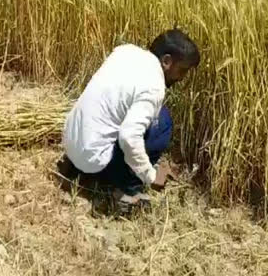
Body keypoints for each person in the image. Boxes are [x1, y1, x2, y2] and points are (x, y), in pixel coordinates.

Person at [58, 29, 200, 209]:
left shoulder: (125, 51)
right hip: (93, 159)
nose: (181, 78)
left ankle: (77, 167)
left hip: (71, 142)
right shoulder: (154, 86)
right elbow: (129, 137)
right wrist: (150, 175)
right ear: (166, 61)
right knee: (162, 122)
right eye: (182, 70)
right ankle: (125, 188)